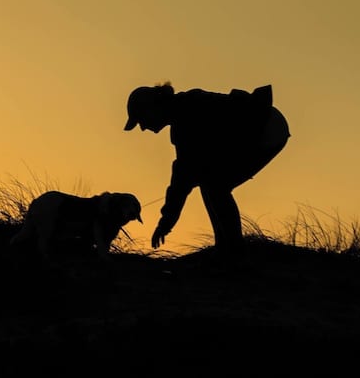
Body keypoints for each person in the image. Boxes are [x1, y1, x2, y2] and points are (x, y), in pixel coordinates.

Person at [123, 82, 290, 251]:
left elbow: (181, 180)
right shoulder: (181, 115)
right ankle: (226, 246)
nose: (143, 127)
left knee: (216, 186)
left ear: (152, 107)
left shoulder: (186, 115)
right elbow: (183, 176)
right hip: (261, 126)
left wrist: (165, 223)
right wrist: (166, 221)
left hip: (266, 125)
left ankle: (234, 249)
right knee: (211, 183)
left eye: (141, 120)